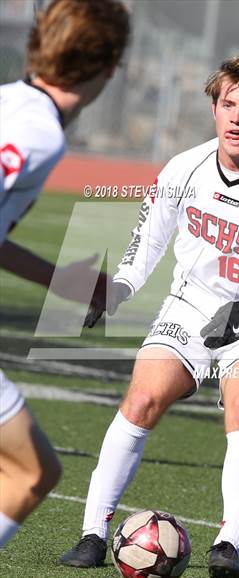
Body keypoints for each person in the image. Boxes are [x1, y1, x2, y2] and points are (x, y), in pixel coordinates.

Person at [61, 50, 239, 578]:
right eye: (229, 103)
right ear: (213, 107)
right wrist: (118, 287)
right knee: (141, 398)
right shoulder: (183, 168)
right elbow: (148, 240)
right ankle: (94, 534)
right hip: (189, 308)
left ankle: (227, 547)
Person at [0, 0, 130, 548]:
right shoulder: (37, 134)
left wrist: (65, 282)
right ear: (109, 67)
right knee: (31, 471)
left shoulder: (10, 102)